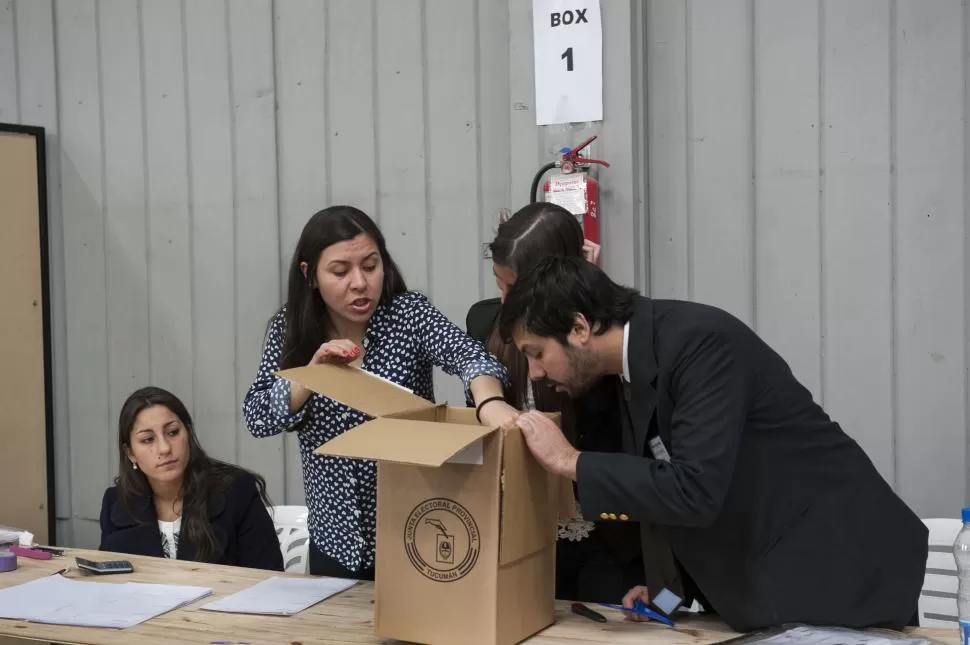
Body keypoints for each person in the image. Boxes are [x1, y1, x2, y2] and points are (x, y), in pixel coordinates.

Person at [499, 256, 928, 632]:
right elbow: (669, 492)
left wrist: (570, 460)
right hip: (781, 588)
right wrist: (666, 599)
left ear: (579, 327)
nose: (535, 372)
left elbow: (695, 490)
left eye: (536, 352)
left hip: (843, 577)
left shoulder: (700, 344)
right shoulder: (635, 366)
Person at [243, 205, 516, 581]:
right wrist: (309, 377)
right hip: (335, 545)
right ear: (310, 275)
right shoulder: (290, 327)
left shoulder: (408, 315)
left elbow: (470, 355)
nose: (360, 282)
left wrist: (490, 401)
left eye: (370, 266)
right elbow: (258, 417)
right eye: (340, 271)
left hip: (414, 535)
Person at [466, 202, 654, 603]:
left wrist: (591, 283)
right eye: (498, 286)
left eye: (512, 289)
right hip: (518, 530)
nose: (504, 303)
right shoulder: (484, 325)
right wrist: (488, 402)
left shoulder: (603, 340)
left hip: (606, 535)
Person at [99, 387, 284, 571]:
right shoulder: (116, 502)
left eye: (172, 432)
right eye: (148, 439)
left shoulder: (236, 491)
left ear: (187, 433)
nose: (164, 448)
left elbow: (269, 577)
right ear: (130, 453)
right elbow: (112, 584)